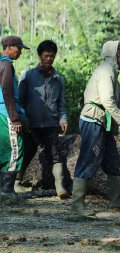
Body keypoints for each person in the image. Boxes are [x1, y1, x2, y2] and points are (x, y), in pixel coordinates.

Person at [71, 40, 120, 215]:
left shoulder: (113, 73)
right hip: (93, 119)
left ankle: (115, 201)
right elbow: (108, 101)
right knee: (88, 158)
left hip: (103, 122)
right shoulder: (106, 70)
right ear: (118, 54)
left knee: (113, 160)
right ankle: (77, 205)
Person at [18, 40, 69, 198]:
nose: (49, 59)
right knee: (25, 153)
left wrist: (63, 119)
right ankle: (15, 183)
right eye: (46, 56)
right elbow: (20, 100)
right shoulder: (28, 76)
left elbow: (61, 103)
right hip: (30, 124)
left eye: (52, 56)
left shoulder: (58, 79)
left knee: (54, 154)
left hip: (51, 124)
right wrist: (22, 119)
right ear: (40, 56)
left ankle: (60, 188)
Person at [0, 35, 29, 194]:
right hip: (6, 114)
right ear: (9, 47)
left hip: (3, 114)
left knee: (4, 150)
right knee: (15, 150)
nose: (20, 53)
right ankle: (6, 190)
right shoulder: (6, 65)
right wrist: (15, 119)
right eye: (18, 49)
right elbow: (7, 93)